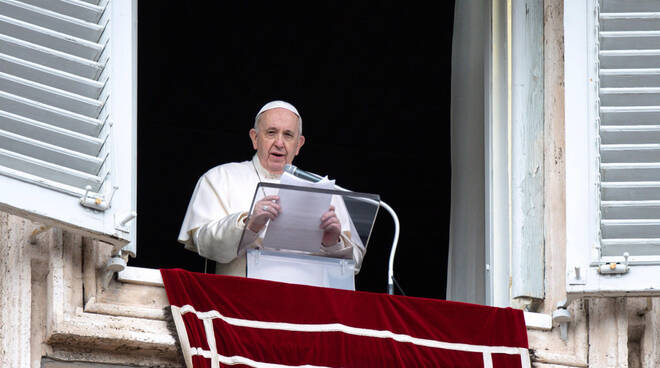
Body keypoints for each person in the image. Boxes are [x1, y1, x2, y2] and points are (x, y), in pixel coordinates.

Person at [178, 100, 365, 276]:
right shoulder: (221, 177)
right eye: (271, 132)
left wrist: (332, 242)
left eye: (288, 135)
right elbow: (203, 243)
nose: (279, 143)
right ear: (255, 138)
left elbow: (354, 266)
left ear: (298, 145)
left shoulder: (323, 188)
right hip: (240, 301)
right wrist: (249, 224)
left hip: (307, 301)